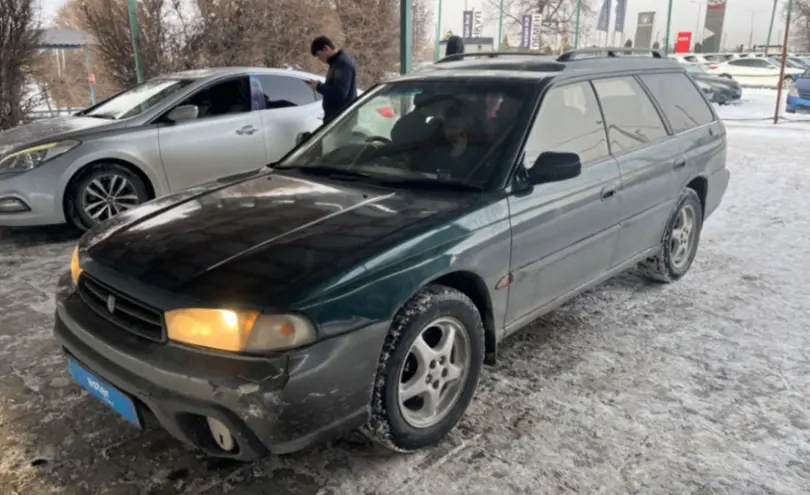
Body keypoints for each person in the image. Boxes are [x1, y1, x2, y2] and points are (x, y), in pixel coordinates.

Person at [307, 36, 358, 122]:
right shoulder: (337, 62)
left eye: (319, 54)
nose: (319, 59)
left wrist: (319, 87)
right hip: (337, 118)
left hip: (341, 121)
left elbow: (339, 94)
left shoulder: (342, 63)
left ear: (326, 48)